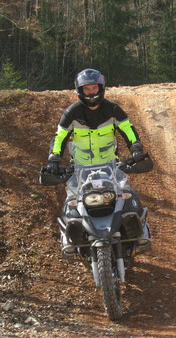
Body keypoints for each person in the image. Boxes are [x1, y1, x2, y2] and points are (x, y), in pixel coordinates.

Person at [46, 68, 151, 246]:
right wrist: (54, 158)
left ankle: (142, 234)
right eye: (87, 89)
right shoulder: (71, 113)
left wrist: (136, 148)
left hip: (110, 167)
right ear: (80, 90)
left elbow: (128, 129)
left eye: (94, 88)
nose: (91, 93)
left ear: (101, 88)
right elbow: (60, 137)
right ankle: (69, 241)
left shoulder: (113, 110)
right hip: (80, 170)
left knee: (128, 197)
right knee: (71, 204)